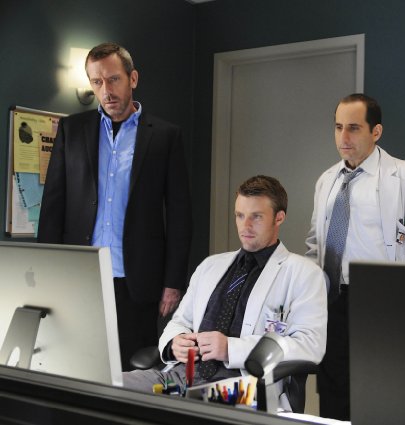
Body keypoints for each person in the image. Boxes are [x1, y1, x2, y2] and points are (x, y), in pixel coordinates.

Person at [38, 42, 192, 371]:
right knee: (76, 368)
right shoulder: (71, 130)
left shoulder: (165, 136)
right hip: (79, 277)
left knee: (130, 372)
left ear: (132, 78)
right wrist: (46, 271)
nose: (106, 91)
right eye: (97, 82)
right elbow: (53, 206)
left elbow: (180, 214)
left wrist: (173, 282)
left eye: (113, 79)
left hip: (137, 282)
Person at [124, 175, 327, 409]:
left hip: (242, 388)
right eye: (240, 215)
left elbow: (310, 346)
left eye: (256, 217)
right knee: (105, 386)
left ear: (279, 217)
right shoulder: (210, 266)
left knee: (187, 406)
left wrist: (230, 348)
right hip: (180, 379)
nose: (245, 226)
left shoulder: (303, 273)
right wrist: (174, 343)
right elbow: (181, 321)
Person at [306, 93, 405, 420]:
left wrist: (397, 299)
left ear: (376, 131)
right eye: (338, 127)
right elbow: (315, 244)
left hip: (381, 300)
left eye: (353, 128)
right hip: (332, 301)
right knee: (333, 393)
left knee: (380, 394)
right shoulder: (327, 181)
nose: (343, 137)